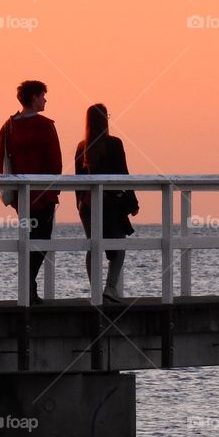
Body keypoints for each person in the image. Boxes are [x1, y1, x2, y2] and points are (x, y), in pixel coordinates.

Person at [0, 80, 62, 304]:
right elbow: (55, 164)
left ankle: (28, 286)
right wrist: (54, 189)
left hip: (21, 198)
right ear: (34, 97)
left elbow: (1, 163)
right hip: (44, 194)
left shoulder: (8, 128)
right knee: (42, 241)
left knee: (28, 239)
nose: (45, 99)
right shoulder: (45, 126)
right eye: (43, 95)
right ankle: (28, 284)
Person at [74, 103, 139, 304]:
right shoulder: (114, 144)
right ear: (105, 120)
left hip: (87, 204)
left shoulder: (82, 147)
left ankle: (95, 290)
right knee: (118, 244)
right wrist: (133, 202)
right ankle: (110, 288)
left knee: (93, 245)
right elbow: (123, 174)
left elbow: (77, 181)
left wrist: (79, 204)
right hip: (111, 204)